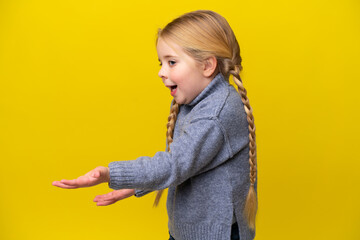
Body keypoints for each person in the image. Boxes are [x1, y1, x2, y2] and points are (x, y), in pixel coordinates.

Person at [53, 10, 258, 240]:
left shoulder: (215, 113)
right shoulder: (197, 100)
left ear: (207, 66)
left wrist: (111, 174)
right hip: (188, 231)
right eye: (161, 63)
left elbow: (173, 165)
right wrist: (135, 186)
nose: (161, 72)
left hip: (215, 234)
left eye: (171, 62)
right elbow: (186, 163)